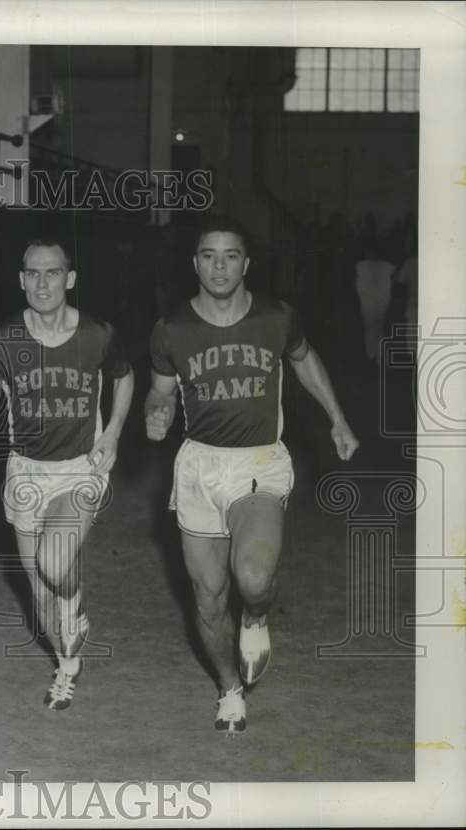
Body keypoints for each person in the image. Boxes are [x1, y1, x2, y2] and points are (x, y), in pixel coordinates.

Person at [145, 215, 359, 733]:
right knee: (209, 596)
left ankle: (258, 615)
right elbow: (161, 390)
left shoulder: (276, 317)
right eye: (209, 255)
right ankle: (229, 688)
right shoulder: (172, 328)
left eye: (231, 255)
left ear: (247, 263)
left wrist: (337, 418)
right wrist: (156, 412)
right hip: (199, 466)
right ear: (194, 262)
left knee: (254, 578)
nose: (220, 266)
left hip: (259, 462)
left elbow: (305, 361)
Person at [0, 240, 134, 710]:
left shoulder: (97, 333)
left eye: (52, 273)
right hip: (26, 471)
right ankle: (67, 665)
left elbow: (124, 375)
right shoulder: (3, 339)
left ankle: (75, 606)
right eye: (32, 273)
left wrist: (112, 432)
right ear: (21, 279)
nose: (41, 283)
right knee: (38, 593)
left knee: (55, 566)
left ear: (69, 279)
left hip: (79, 470)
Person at [353, 237, 397, 362]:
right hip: (382, 303)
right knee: (380, 329)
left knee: (369, 330)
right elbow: (394, 278)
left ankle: (371, 355)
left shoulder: (360, 265)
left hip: (367, 303)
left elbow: (355, 282)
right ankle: (379, 356)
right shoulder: (387, 265)